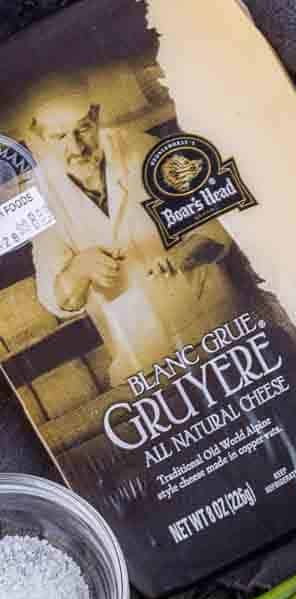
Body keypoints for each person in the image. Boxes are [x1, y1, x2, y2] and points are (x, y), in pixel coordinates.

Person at [27, 76, 239, 385]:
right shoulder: (40, 197)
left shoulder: (143, 149)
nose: (76, 147)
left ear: (96, 116)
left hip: (215, 321)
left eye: (82, 129)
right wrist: (80, 269)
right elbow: (55, 299)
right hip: (140, 354)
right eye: (59, 137)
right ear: (39, 140)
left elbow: (217, 227)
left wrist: (182, 255)